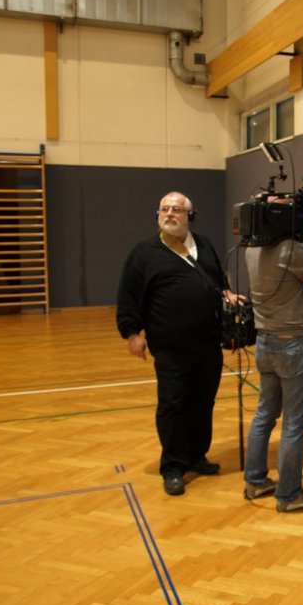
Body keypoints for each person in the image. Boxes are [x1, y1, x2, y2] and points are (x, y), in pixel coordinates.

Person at [117, 192, 236, 496]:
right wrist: (132, 334)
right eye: (165, 209)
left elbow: (219, 281)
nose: (170, 214)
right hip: (170, 348)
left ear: (189, 216)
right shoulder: (144, 253)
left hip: (208, 344)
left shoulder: (204, 245)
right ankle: (172, 466)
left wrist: (228, 295)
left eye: (177, 210)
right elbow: (129, 296)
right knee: (173, 405)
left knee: (203, 403)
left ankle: (196, 456)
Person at [242, 206, 303, 512]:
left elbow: (293, 275)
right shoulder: (290, 250)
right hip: (293, 345)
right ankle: (289, 495)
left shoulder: (251, 249)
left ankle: (255, 481)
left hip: (265, 341)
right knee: (295, 423)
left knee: (264, 414)